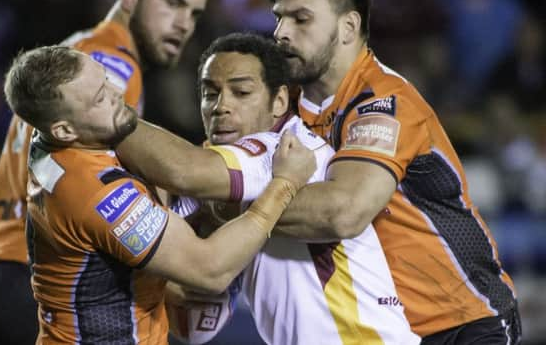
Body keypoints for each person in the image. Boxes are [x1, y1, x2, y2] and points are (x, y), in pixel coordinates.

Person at [0, 0, 212, 345]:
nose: (184, 23)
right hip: (37, 287)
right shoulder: (108, 72)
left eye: (194, 12)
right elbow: (145, 176)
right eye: (171, 2)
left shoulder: (74, 50)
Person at [268, 0, 521, 344]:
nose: (281, 33)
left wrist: (232, 206)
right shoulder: (289, 111)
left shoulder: (384, 100)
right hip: (386, 330)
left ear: (348, 27)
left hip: (464, 321)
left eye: (301, 19)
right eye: (279, 18)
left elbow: (345, 211)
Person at [3, 45, 314, 344]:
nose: (116, 93)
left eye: (105, 78)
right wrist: (284, 183)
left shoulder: (51, 136)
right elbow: (210, 269)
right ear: (64, 131)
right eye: (100, 99)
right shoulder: (100, 196)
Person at [159, 32, 420, 345]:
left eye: (241, 92)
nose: (221, 106)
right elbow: (197, 330)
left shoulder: (282, 148)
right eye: (209, 93)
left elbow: (182, 170)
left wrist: (116, 123)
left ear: (279, 101)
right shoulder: (215, 175)